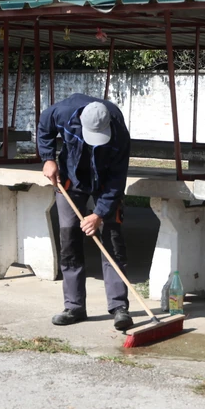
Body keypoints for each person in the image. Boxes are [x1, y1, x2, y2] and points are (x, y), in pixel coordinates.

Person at [37, 93, 133, 331]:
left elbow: (117, 180)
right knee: (69, 240)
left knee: (112, 240)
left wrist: (99, 214)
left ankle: (119, 307)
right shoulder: (63, 112)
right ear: (80, 121)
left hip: (105, 181)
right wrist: (48, 158)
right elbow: (44, 127)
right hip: (71, 180)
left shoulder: (119, 131)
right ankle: (74, 307)